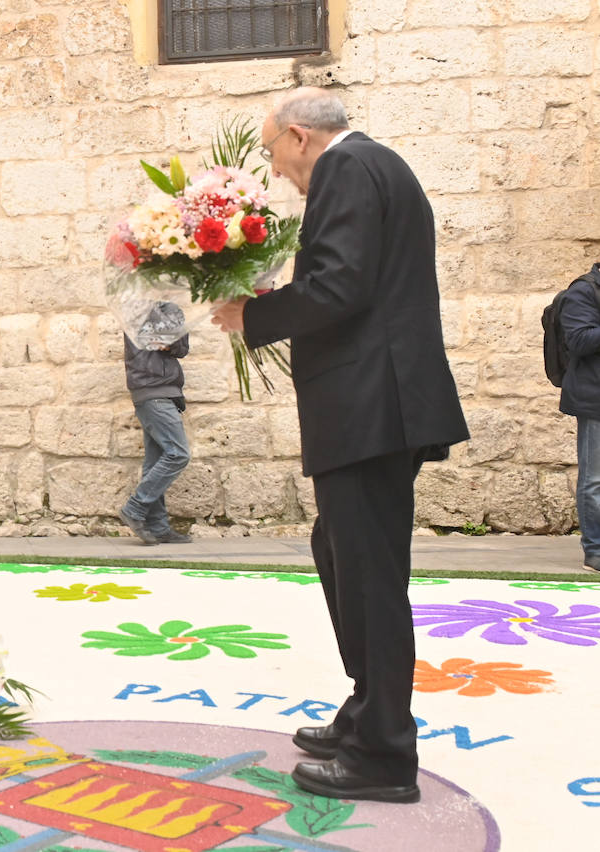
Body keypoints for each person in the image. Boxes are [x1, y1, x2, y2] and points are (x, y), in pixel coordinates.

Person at [211, 88, 469, 804]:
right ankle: (365, 711)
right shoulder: (378, 166)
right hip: (376, 406)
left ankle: (384, 754)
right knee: (343, 557)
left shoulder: (347, 170)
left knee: (370, 578)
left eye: (271, 152)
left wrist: (252, 312)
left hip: (369, 407)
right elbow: (356, 281)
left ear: (299, 137)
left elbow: (340, 287)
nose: (276, 169)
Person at [119, 302, 193, 545]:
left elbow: (180, 347)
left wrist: (173, 337)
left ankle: (158, 526)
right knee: (178, 453)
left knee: (156, 461)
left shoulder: (164, 306)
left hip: (161, 390)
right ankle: (135, 508)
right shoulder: (139, 306)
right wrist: (172, 336)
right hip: (152, 390)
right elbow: (166, 338)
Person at [558, 263, 600, 574]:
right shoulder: (583, 291)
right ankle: (595, 551)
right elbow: (579, 340)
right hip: (594, 399)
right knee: (595, 480)